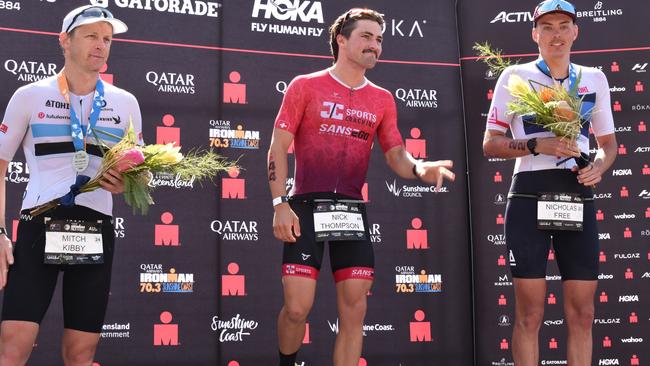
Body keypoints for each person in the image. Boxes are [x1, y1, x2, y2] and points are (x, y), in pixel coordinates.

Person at [267, 8, 455, 366]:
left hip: (351, 212)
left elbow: (395, 154)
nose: (375, 46)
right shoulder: (305, 85)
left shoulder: (382, 98)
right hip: (304, 207)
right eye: (366, 37)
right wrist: (280, 203)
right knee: (296, 309)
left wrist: (418, 168)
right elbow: (277, 147)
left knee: (355, 313)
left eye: (379, 39)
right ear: (341, 39)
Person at [0, 5, 142, 365]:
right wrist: (0, 232)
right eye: (91, 35)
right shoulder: (29, 95)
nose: (101, 45)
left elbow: (139, 176)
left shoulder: (125, 103)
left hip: (96, 229)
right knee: (13, 343)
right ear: (64, 40)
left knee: (82, 352)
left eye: (107, 38)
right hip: (39, 225)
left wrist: (125, 184)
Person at [482, 1, 617, 365]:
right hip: (529, 193)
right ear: (535, 34)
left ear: (575, 32)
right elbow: (490, 143)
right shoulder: (515, 75)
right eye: (547, 27)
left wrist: (599, 169)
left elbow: (608, 145)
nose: (555, 34)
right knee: (529, 314)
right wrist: (533, 144)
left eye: (562, 26)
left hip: (577, 193)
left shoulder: (594, 78)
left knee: (583, 313)